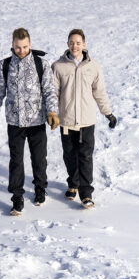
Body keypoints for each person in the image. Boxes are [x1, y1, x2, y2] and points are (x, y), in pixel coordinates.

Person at [0, 28, 60, 216]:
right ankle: (17, 197)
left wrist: (52, 111)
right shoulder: (4, 65)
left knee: (39, 159)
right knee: (16, 161)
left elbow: (50, 91)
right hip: (14, 122)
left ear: (30, 44)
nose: (21, 50)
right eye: (18, 47)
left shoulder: (40, 64)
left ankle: (40, 188)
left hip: (37, 121)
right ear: (12, 45)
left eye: (25, 47)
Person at [51, 28, 116, 210]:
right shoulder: (58, 66)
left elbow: (99, 92)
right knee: (70, 156)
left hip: (87, 120)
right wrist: (52, 114)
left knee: (85, 157)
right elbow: (53, 93)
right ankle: (73, 184)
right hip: (67, 120)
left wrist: (108, 113)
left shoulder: (93, 66)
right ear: (67, 44)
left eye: (78, 42)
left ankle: (86, 194)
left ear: (84, 44)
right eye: (72, 42)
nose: (75, 46)